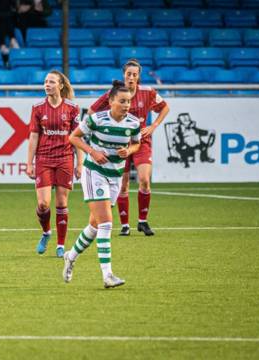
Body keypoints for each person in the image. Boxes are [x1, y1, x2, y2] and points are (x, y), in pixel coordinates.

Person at [63, 80, 141, 289]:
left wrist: (130, 151)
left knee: (95, 227)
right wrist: (93, 152)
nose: (126, 105)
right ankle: (107, 275)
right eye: (122, 101)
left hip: (115, 175)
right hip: (94, 172)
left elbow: (136, 143)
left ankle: (70, 256)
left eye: (128, 102)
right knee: (106, 223)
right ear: (111, 101)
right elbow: (74, 137)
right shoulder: (96, 119)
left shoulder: (133, 123)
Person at [88, 59, 169, 237]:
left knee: (144, 180)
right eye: (128, 74)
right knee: (123, 186)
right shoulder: (114, 94)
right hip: (117, 145)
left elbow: (165, 108)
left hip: (140, 142)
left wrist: (153, 125)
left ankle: (142, 221)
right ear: (123, 75)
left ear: (138, 76)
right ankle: (125, 225)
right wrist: (101, 133)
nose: (131, 77)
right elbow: (91, 112)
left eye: (134, 74)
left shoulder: (148, 92)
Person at [26, 70, 83, 258]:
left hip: (65, 158)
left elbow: (77, 137)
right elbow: (33, 136)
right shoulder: (37, 107)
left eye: (51, 82)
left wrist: (80, 163)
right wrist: (29, 163)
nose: (47, 85)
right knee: (43, 204)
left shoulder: (72, 108)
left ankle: (60, 245)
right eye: (45, 82)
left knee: (61, 202)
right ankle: (46, 232)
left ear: (60, 85)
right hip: (43, 158)